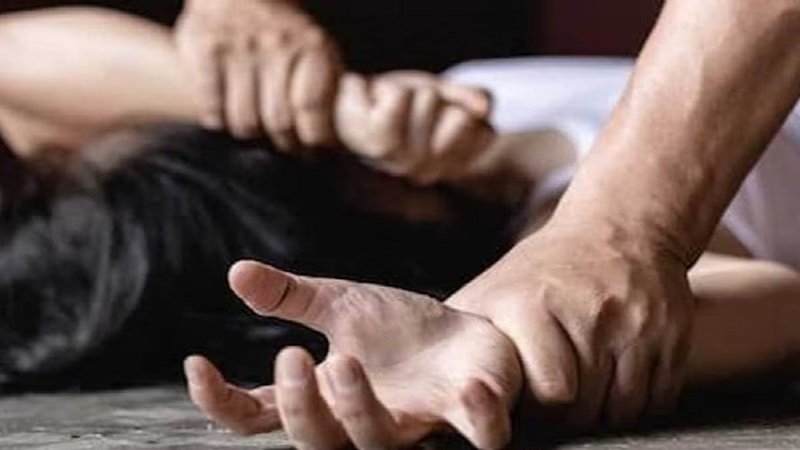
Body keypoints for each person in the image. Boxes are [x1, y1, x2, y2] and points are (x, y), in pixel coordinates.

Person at [176, 0, 800, 430]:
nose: (347, 150)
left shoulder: (469, 85)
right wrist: (498, 344)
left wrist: (333, 104)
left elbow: (102, 66)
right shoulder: (558, 235)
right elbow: (774, 302)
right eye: (323, 164)